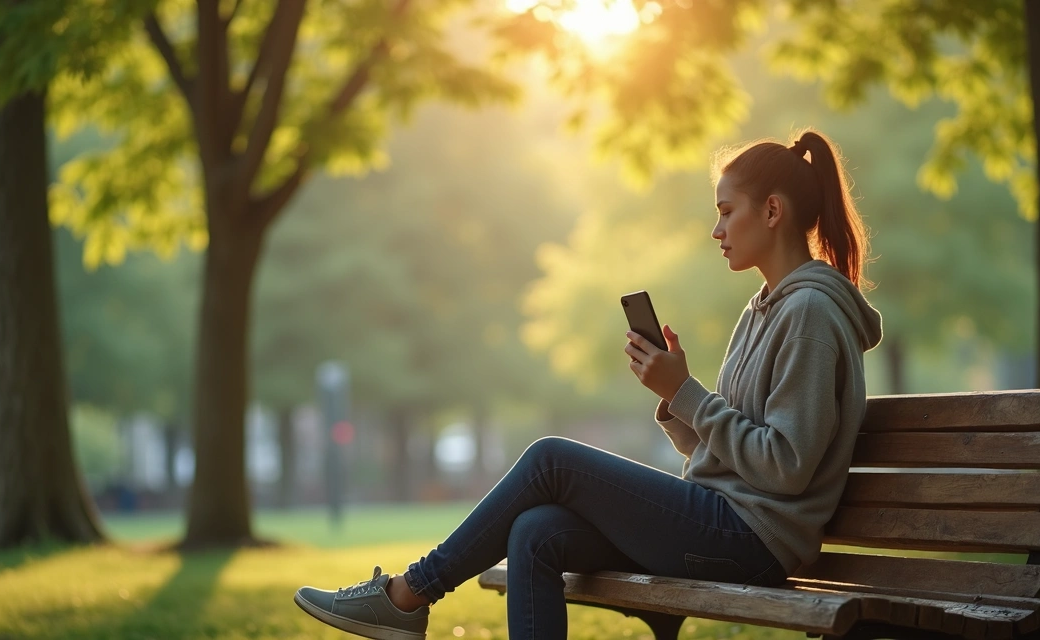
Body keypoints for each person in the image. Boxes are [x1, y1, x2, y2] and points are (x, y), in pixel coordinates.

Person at [292, 128, 883, 640]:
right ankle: (409, 598)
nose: (716, 229)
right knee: (535, 531)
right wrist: (673, 396)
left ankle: (408, 594)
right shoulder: (763, 308)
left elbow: (785, 467)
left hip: (752, 540)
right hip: (723, 518)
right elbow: (728, 449)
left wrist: (688, 394)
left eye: (727, 211)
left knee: (552, 459)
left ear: (772, 212)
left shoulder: (810, 313)